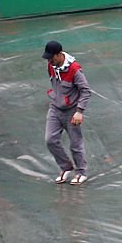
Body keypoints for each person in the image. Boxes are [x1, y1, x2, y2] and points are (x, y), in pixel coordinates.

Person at [43, 41, 91, 185]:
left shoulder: (74, 70)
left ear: (59, 54)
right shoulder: (51, 66)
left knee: (75, 144)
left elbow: (86, 91)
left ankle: (81, 172)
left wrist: (79, 111)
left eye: (52, 57)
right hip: (55, 108)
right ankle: (66, 167)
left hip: (72, 112)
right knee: (50, 140)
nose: (49, 61)